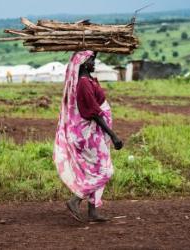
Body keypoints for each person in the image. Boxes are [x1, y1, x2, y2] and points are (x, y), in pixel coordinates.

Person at [53, 50, 123, 222]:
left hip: (92, 134)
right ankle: (75, 199)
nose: (94, 63)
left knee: (95, 170)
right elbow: (94, 113)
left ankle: (93, 211)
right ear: (84, 63)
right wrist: (113, 135)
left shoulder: (87, 80)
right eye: (92, 60)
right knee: (105, 171)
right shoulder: (84, 83)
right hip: (89, 136)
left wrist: (94, 47)